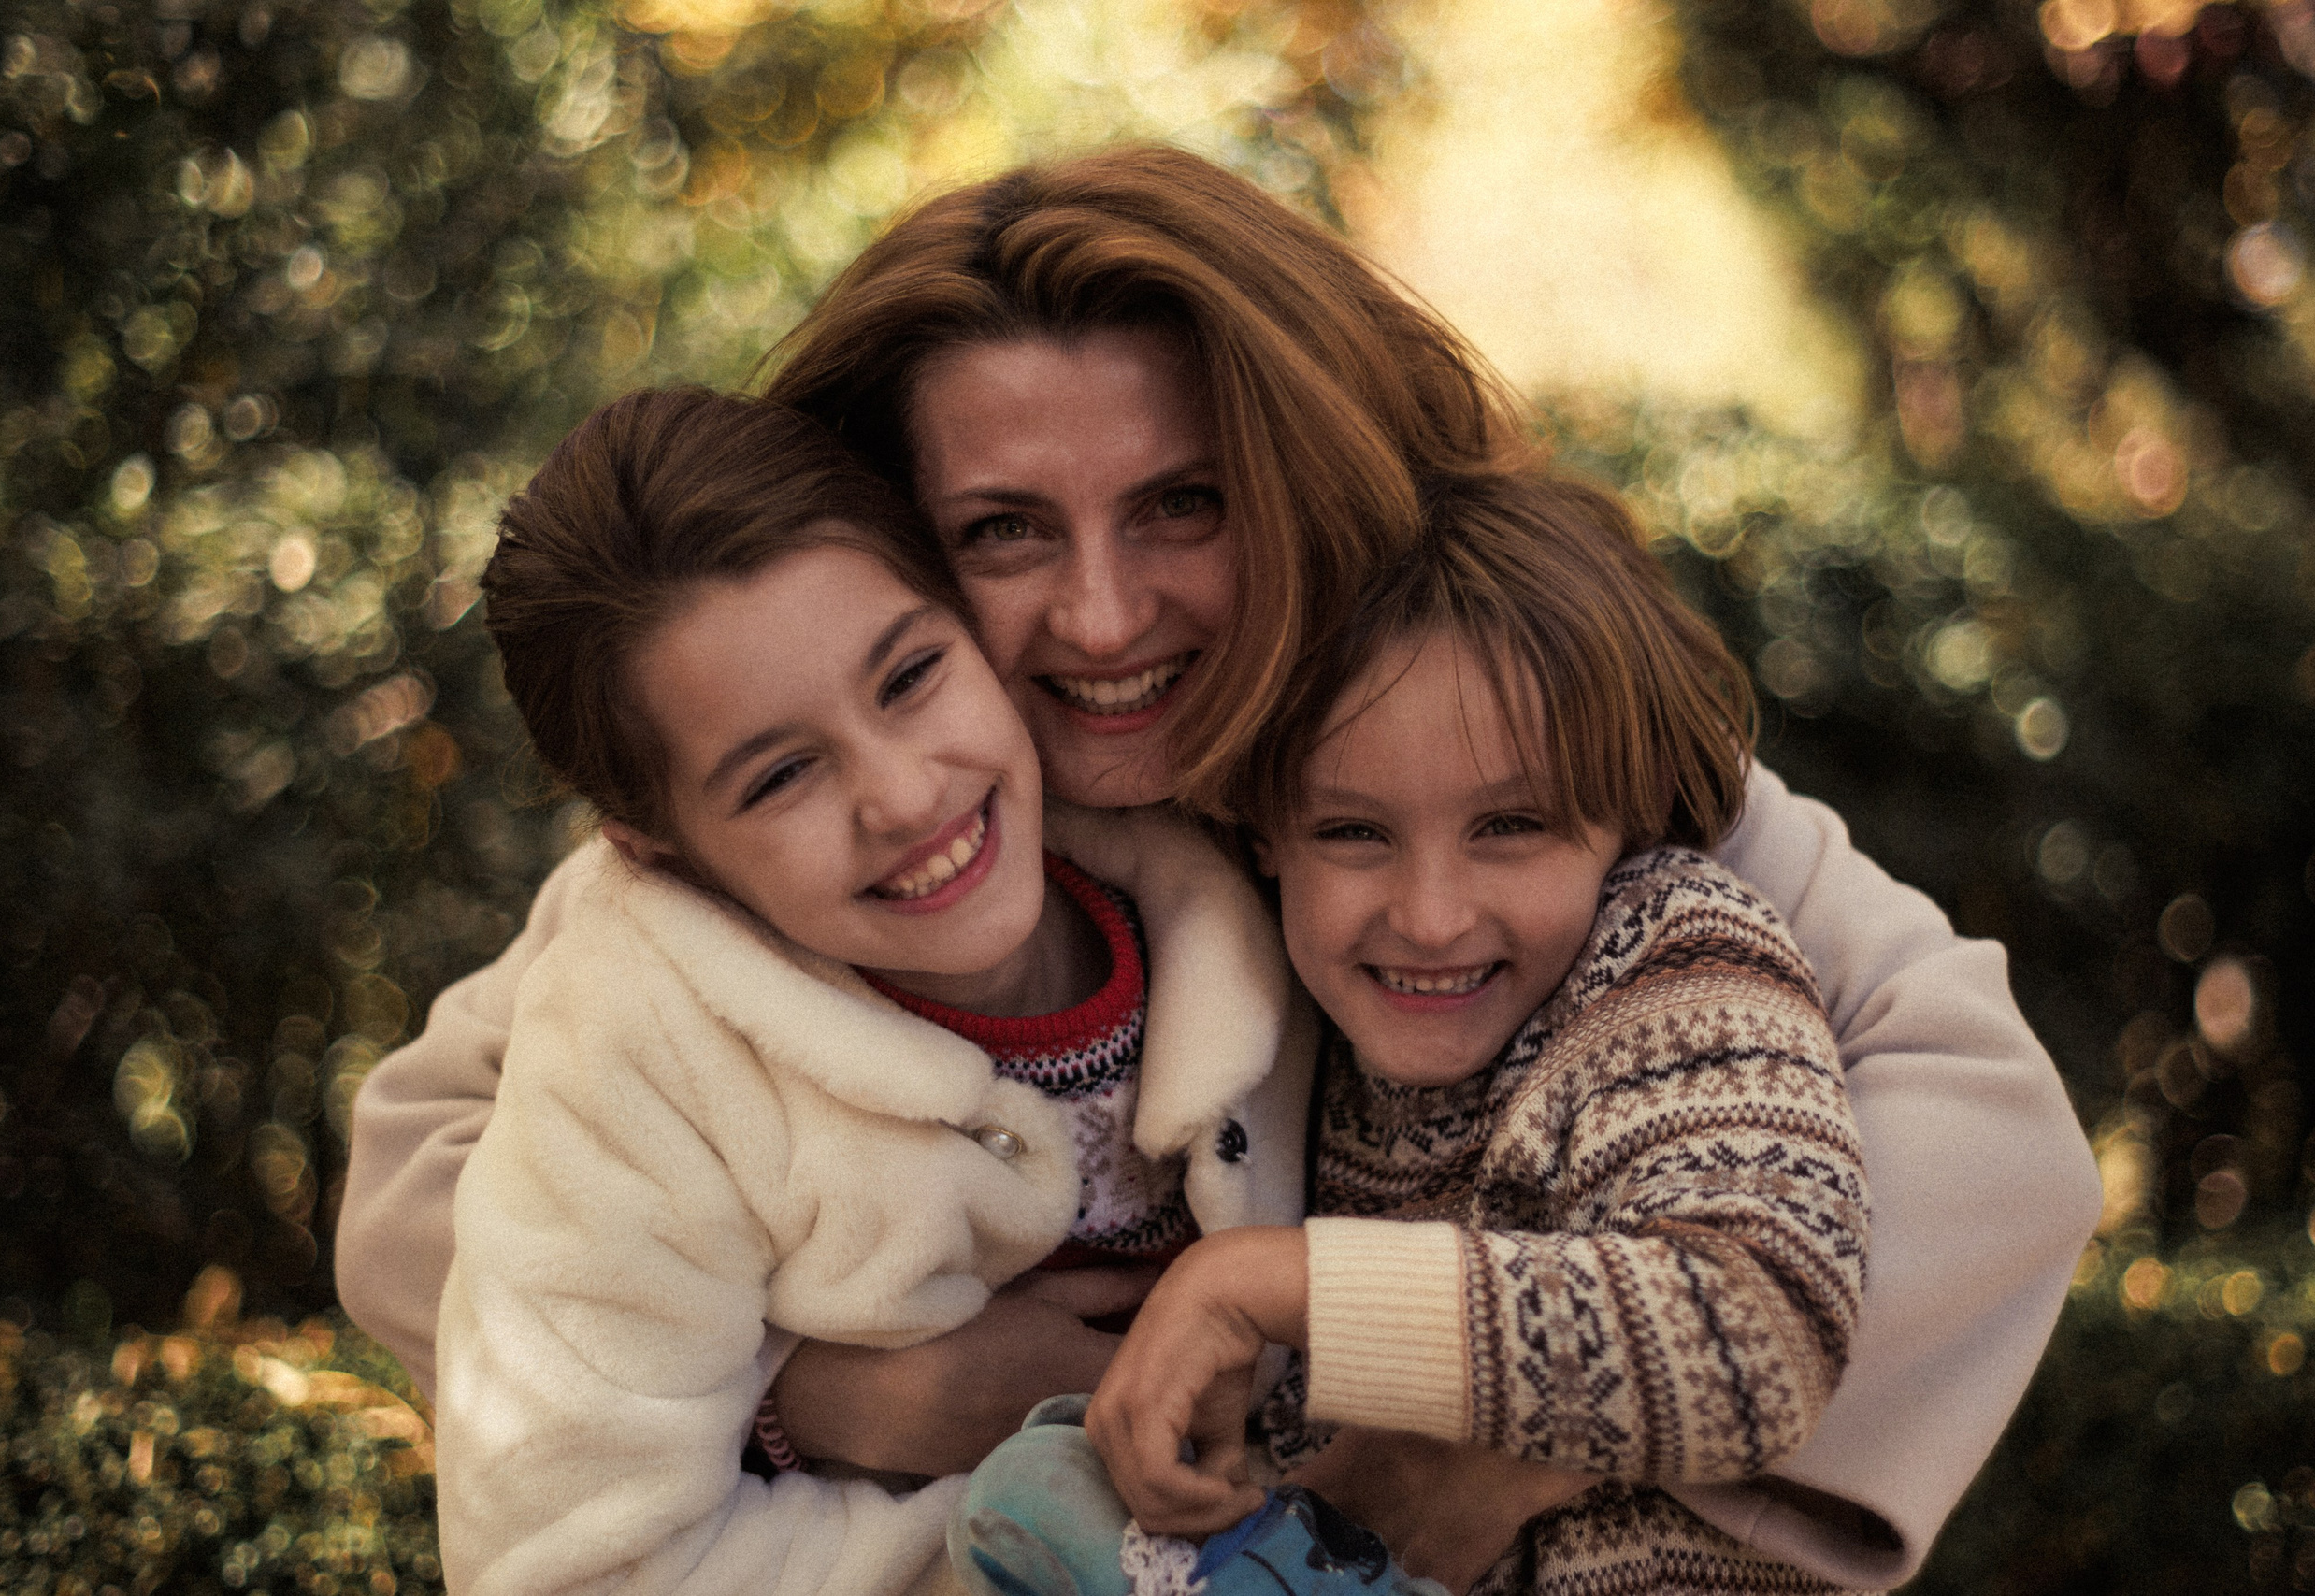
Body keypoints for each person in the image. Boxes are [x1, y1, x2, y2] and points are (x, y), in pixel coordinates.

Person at [336, 145, 2101, 1592]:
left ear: (1301, 475)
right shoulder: (852, 830)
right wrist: (827, 1394)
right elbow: (436, 1170)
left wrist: (1519, 1418)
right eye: (1004, 534)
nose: (1103, 618)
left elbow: (1993, 1125)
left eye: (1183, 504)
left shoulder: (1470, 741)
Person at [433, 388, 1316, 1596]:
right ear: (652, 847)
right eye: (783, 772)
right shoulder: (633, 1052)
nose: (903, 794)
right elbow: (574, 1556)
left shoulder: (1232, 836)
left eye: (909, 675)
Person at [957, 472, 1870, 1596]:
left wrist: (1262, 1283)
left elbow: (1759, 1343)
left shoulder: (1667, 953)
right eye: (1352, 832)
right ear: (1260, 834)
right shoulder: (1297, 1046)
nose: (1432, 917)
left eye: (1511, 825)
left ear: (1624, 808)